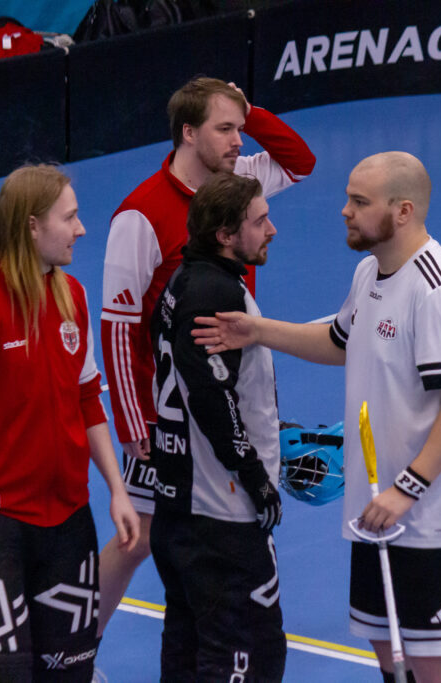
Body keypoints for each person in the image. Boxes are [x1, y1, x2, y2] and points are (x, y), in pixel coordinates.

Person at [193, 152, 441, 683]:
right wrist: (257, 330)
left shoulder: (438, 291)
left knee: (435, 665)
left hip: (434, 516)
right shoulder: (369, 272)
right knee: (387, 649)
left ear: (402, 211)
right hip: (378, 511)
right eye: (348, 198)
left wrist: (407, 488)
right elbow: (340, 342)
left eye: (359, 202)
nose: (344, 211)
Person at [97, 76, 315, 634]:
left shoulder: (238, 184)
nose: (239, 141)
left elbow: (301, 162)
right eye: (225, 129)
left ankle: (208, 643)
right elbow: (118, 326)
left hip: (225, 397)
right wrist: (133, 420)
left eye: (241, 129)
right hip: (167, 411)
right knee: (140, 535)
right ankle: (69, 654)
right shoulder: (139, 214)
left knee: (217, 521)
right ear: (188, 133)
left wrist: (250, 110)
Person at [0, 164, 140, 681]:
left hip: (67, 519)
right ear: (32, 226)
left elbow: (87, 399)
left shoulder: (72, 296)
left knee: (68, 671)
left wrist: (117, 490)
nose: (81, 229)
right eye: (70, 218)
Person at [150, 172, 285, 680]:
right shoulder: (215, 292)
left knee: (186, 650)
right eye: (259, 221)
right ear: (226, 235)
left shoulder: (182, 281)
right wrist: (255, 476)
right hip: (221, 511)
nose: (271, 229)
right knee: (250, 654)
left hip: (180, 507)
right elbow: (209, 394)